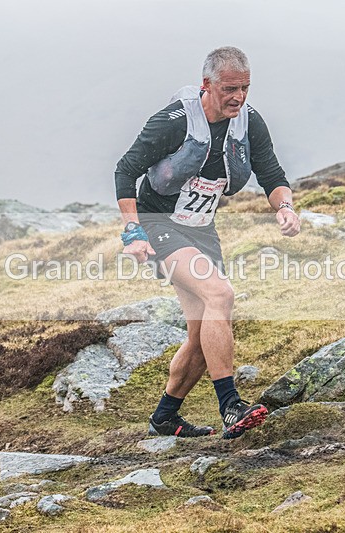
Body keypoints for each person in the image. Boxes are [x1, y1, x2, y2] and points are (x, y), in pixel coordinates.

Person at [114, 46, 300, 439]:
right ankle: (230, 405)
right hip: (158, 223)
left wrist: (285, 207)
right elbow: (126, 169)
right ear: (207, 85)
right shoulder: (173, 122)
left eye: (245, 88)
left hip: (200, 229)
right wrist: (132, 231)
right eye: (230, 88)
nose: (239, 96)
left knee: (203, 334)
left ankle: (165, 417)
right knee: (219, 294)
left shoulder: (249, 123)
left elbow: (271, 172)